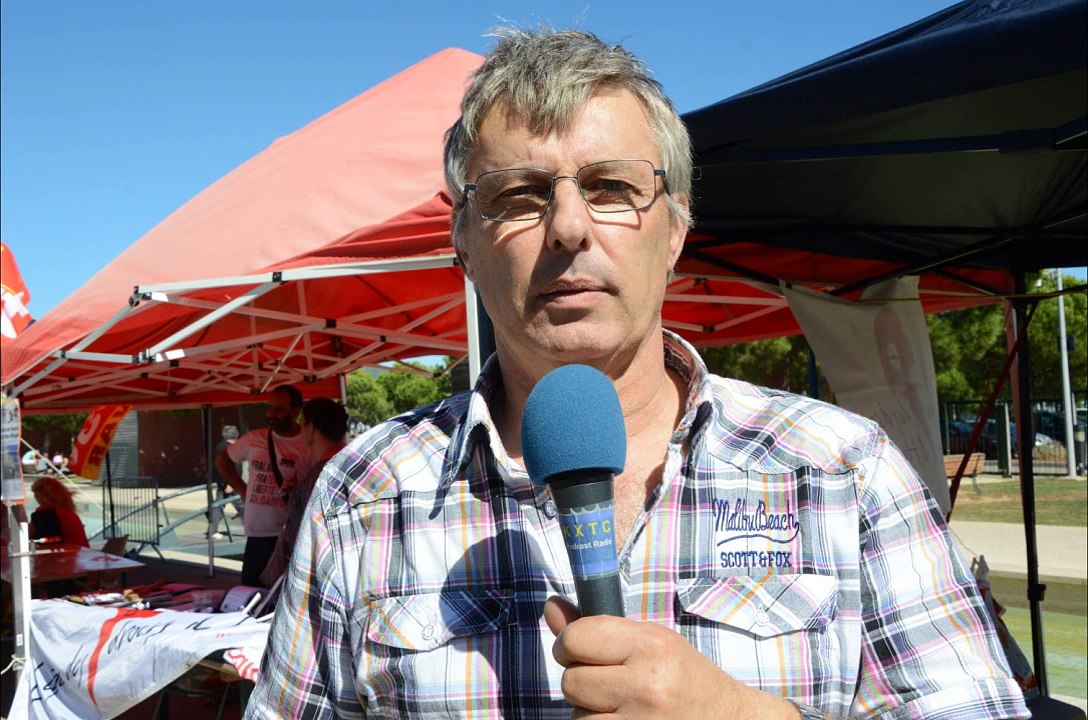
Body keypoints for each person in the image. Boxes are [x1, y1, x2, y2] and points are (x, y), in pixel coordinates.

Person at [248, 28, 1028, 719]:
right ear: (464, 243)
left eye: (610, 188)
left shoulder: (843, 470)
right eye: (519, 196)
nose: (568, 227)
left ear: (677, 228)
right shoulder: (363, 496)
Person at [215, 384, 311, 587]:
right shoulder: (255, 438)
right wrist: (241, 489)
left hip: (291, 534)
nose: (271, 413)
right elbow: (222, 460)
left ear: (296, 411)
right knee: (251, 594)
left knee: (287, 595)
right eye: (269, 407)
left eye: (279, 409)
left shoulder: (308, 443)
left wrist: (298, 489)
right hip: (258, 534)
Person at [259, 398, 348, 588]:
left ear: (311, 427)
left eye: (302, 423)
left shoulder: (321, 475)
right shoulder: (354, 466)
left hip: (317, 581)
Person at [28, 475, 89, 547]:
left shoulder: (44, 511)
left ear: (40, 496)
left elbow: (28, 535)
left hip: (66, 552)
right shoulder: (68, 511)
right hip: (82, 551)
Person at [208, 424, 241, 540]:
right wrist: (228, 484)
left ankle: (212, 531)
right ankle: (254, 530)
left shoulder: (221, 447)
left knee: (218, 506)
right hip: (231, 483)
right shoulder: (229, 448)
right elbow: (227, 467)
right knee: (243, 506)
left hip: (226, 483)